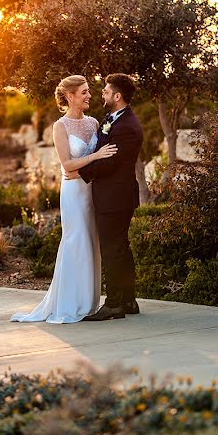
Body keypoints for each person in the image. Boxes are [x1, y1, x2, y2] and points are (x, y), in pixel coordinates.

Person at [10, 75, 118, 323]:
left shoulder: (93, 123)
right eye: (84, 92)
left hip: (93, 192)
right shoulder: (60, 127)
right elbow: (68, 166)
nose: (89, 96)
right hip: (74, 193)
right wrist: (96, 156)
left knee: (92, 245)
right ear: (70, 96)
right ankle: (69, 304)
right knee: (75, 242)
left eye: (89, 91)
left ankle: (88, 303)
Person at [73, 73, 144, 321]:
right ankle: (128, 300)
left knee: (112, 250)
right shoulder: (113, 119)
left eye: (105, 90)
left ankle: (114, 303)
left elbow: (110, 163)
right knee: (121, 248)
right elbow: (102, 152)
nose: (101, 93)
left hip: (115, 197)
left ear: (117, 96)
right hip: (115, 196)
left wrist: (79, 171)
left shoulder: (127, 127)